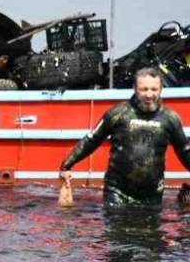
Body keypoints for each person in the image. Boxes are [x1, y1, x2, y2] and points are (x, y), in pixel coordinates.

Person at [59, 67, 190, 207]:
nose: (149, 94)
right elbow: (92, 140)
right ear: (134, 88)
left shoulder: (170, 119)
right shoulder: (118, 113)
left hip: (152, 195)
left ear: (161, 89)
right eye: (144, 89)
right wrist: (67, 165)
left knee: (151, 229)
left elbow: (184, 150)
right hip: (117, 192)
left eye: (154, 89)